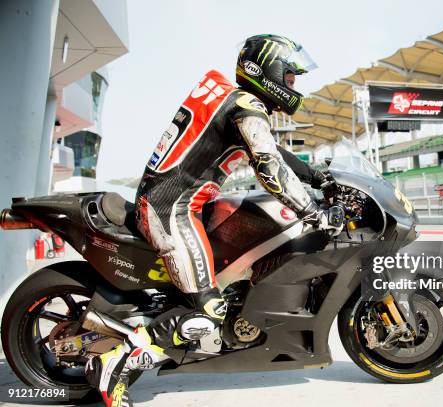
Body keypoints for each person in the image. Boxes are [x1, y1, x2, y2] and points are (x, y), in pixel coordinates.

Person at [85, 34, 342, 407]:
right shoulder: (247, 106)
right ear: (266, 72)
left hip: (181, 205)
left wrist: (317, 177)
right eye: (289, 76)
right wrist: (314, 212)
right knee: (207, 314)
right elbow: (269, 168)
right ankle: (116, 362)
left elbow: (275, 153)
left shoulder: (235, 101)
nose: (293, 85)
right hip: (170, 210)